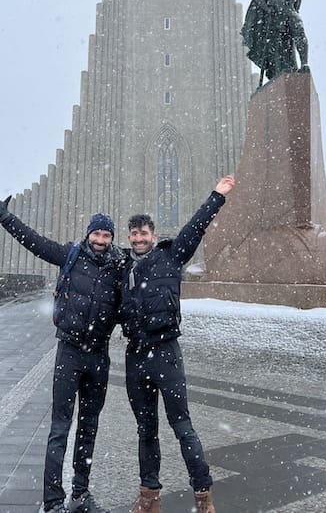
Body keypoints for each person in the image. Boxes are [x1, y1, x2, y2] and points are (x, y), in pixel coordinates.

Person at [0, 191, 123, 513]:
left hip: (98, 355)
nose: (101, 239)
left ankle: (80, 494)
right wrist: (6, 217)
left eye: (106, 234)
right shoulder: (70, 254)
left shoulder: (118, 265)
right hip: (70, 351)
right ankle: (53, 501)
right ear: (89, 233)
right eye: (97, 233)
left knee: (89, 425)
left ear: (111, 238)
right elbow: (33, 241)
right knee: (60, 427)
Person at [121, 175, 235, 513]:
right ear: (130, 238)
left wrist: (217, 195)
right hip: (135, 356)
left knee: (182, 426)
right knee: (146, 432)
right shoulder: (122, 267)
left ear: (153, 237)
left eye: (144, 233)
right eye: (134, 234)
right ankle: (149, 499)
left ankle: (203, 498)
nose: (139, 238)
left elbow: (196, 227)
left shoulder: (171, 257)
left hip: (166, 354)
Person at [240, 0, 309, 85]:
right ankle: (280, 71)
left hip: (291, 13)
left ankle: (304, 63)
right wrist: (267, 9)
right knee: (279, 46)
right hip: (277, 15)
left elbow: (297, 2)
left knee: (300, 35)